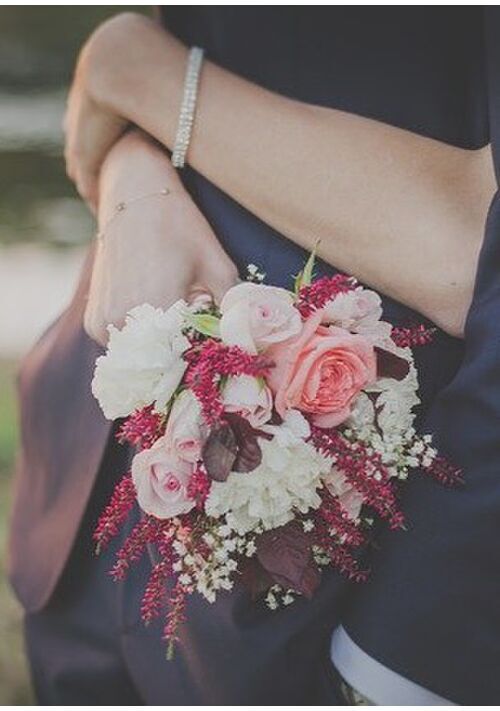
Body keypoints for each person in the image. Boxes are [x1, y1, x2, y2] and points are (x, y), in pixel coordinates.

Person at [8, 7, 499, 704]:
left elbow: (475, 242)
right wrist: (134, 168)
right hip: (88, 506)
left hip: (351, 580)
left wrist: (404, 669)